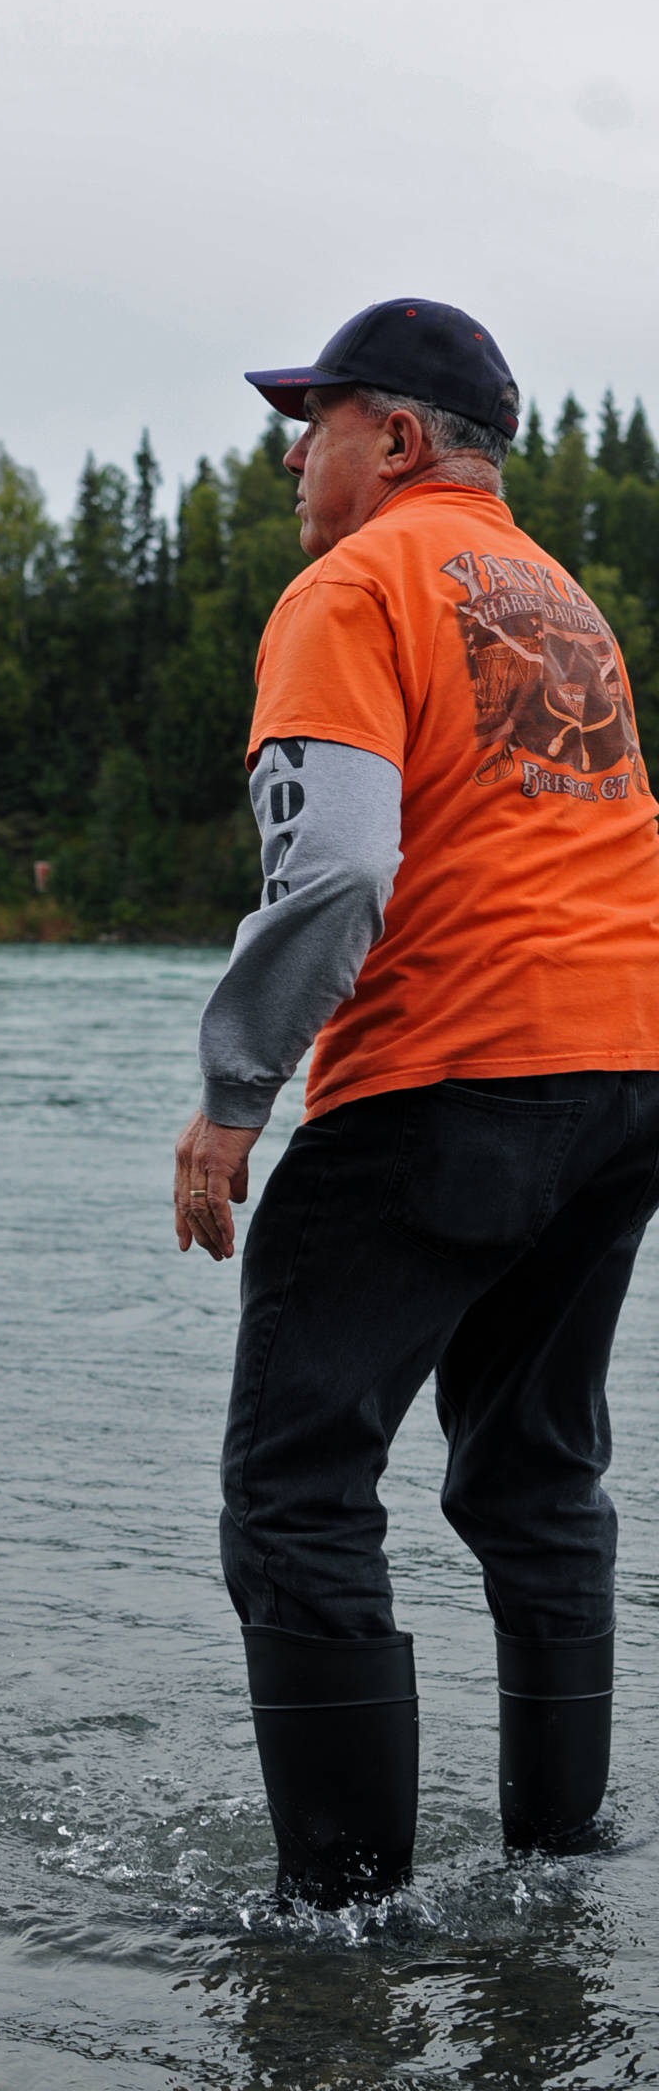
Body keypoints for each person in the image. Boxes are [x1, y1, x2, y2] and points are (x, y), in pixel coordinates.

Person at [173, 297, 659, 1908]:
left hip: (453, 1066)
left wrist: (237, 1093)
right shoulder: (558, 599)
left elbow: (340, 862)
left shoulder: (356, 581)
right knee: (535, 1477)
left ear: (396, 437)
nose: (292, 456)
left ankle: (341, 1930)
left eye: (310, 423)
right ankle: (560, 1871)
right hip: (626, 1076)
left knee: (297, 1488)